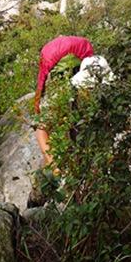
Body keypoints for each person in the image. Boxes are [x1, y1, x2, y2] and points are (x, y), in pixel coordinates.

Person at [34, 35, 94, 167]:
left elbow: (42, 79)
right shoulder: (82, 42)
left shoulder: (47, 52)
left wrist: (37, 102)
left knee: (42, 127)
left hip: (62, 81)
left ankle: (55, 166)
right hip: (81, 74)